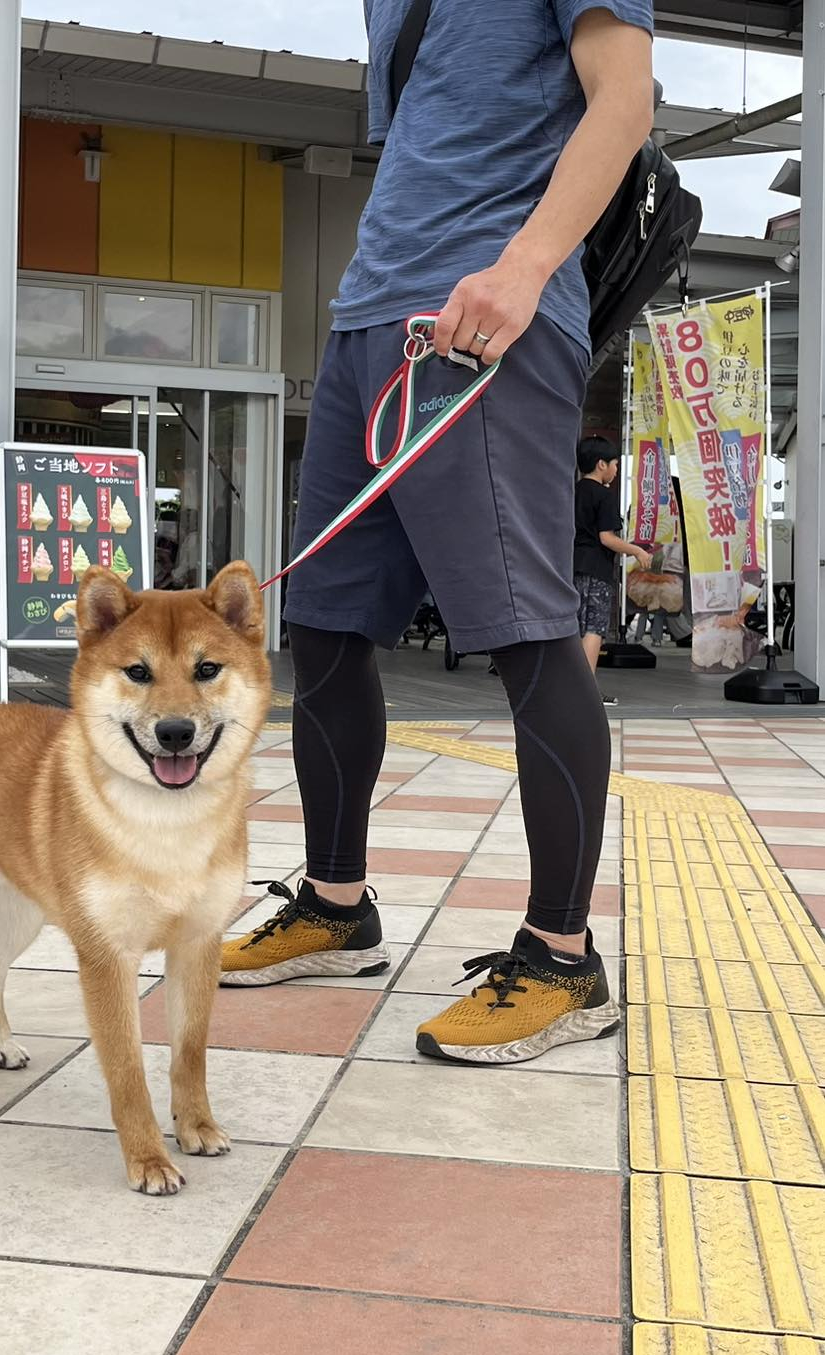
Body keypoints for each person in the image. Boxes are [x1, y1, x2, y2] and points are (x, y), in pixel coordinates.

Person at [220, 0, 655, 1065]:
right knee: (321, 621)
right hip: (368, 316)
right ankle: (334, 903)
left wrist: (523, 267)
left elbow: (624, 96)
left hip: (484, 316)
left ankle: (561, 958)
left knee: (523, 627)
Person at [574, 436, 652, 692]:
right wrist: (636, 551)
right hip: (597, 569)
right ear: (601, 464)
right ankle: (586, 692)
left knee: (574, 629)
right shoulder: (604, 496)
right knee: (594, 628)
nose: (617, 470)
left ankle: (566, 688)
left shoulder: (572, 491)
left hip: (571, 567)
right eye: (615, 464)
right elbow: (606, 538)